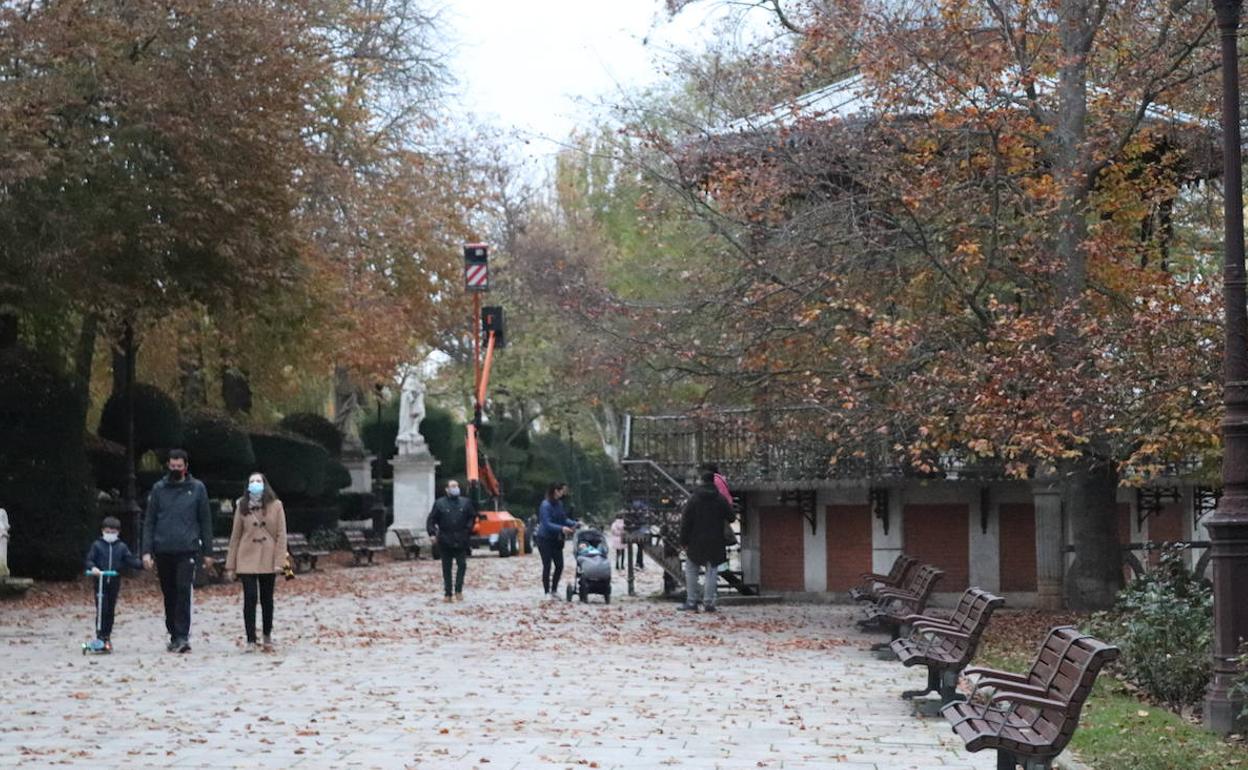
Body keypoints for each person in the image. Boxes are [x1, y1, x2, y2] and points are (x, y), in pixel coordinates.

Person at [141, 449, 214, 653]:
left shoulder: (198, 489)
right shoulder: (158, 489)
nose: (175, 469)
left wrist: (208, 551)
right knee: (169, 593)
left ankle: (182, 635)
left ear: (186, 467)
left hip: (187, 549)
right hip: (163, 548)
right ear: (168, 466)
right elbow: (149, 521)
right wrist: (146, 551)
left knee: (183, 591)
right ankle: (173, 633)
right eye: (172, 466)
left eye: (179, 466)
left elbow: (205, 521)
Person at [225, 473, 288, 653]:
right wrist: (231, 565)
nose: (255, 484)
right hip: (247, 557)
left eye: (258, 481)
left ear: (265, 484)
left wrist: (280, 562)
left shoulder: (276, 506)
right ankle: (250, 639)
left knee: (267, 598)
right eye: (252, 481)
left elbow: (281, 535)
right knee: (250, 597)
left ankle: (267, 634)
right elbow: (235, 536)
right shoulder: (241, 506)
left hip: (268, 557)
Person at [84, 516, 143, 652]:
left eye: (113, 531)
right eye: (108, 531)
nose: (110, 534)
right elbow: (89, 560)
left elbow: (130, 560)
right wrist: (93, 568)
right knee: (101, 609)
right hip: (100, 581)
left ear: (118, 532)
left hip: (114, 581)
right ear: (103, 530)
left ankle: (107, 636)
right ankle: (100, 635)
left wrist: (142, 565)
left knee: (110, 609)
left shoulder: (121, 547)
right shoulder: (97, 545)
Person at [678, 472, 735, 613]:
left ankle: (691, 601)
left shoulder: (693, 499)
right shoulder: (720, 499)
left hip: (695, 541)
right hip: (716, 541)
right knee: (712, 571)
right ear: (713, 482)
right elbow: (732, 517)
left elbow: (685, 521)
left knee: (691, 570)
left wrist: (683, 540)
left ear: (701, 481)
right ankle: (709, 602)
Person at [427, 479, 479, 602]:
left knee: (462, 565)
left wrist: (468, 530)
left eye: (456, 486)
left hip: (461, 539)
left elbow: (471, 517)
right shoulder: (440, 503)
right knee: (446, 567)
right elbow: (431, 520)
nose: (455, 488)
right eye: (452, 486)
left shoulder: (465, 503)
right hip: (445, 539)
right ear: (447, 489)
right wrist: (432, 533)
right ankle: (448, 593)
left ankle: (458, 590)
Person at [534, 482, 578, 599]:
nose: (563, 493)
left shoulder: (559, 504)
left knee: (559, 565)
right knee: (547, 565)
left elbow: (563, 519)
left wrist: (574, 523)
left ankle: (554, 589)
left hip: (556, 539)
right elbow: (547, 523)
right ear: (555, 491)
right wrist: (561, 528)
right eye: (561, 491)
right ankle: (546, 592)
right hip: (544, 539)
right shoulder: (545, 505)